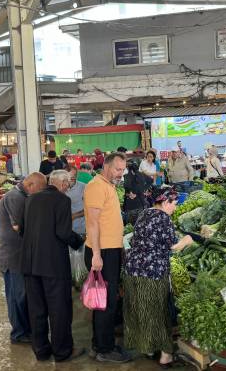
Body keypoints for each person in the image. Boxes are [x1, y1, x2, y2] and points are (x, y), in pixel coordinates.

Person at [19, 170, 85, 362]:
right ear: (62, 183)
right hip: (53, 265)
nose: (68, 187)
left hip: (30, 264)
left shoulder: (31, 199)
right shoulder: (62, 201)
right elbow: (63, 232)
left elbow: (22, 230)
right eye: (68, 184)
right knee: (59, 309)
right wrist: (79, 241)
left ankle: (41, 350)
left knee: (36, 309)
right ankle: (62, 351)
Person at [124, 188, 194, 367]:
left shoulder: (144, 213)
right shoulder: (164, 218)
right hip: (152, 272)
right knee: (159, 311)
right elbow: (174, 246)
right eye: (174, 204)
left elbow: (134, 240)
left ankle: (148, 348)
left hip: (133, 270)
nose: (175, 208)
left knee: (142, 309)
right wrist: (187, 240)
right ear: (165, 202)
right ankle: (165, 355)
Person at [83, 152, 131, 363]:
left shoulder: (108, 185)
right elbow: (93, 223)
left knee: (105, 300)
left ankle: (99, 343)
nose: (121, 174)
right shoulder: (96, 186)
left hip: (109, 250)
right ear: (107, 166)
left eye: (123, 170)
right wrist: (96, 255)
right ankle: (105, 348)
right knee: (106, 302)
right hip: (101, 252)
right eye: (118, 169)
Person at [0, 172, 48, 345]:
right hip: (12, 257)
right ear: (31, 184)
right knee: (16, 297)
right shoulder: (15, 197)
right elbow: (20, 227)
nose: (39, 194)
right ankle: (18, 333)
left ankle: (25, 330)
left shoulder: (22, 195)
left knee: (23, 295)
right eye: (39, 190)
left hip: (20, 255)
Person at [65, 167, 86, 235]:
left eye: (75, 175)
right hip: (63, 229)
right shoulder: (59, 188)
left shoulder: (84, 187)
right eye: (70, 176)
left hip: (79, 229)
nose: (73, 178)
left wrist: (73, 216)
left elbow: (89, 208)